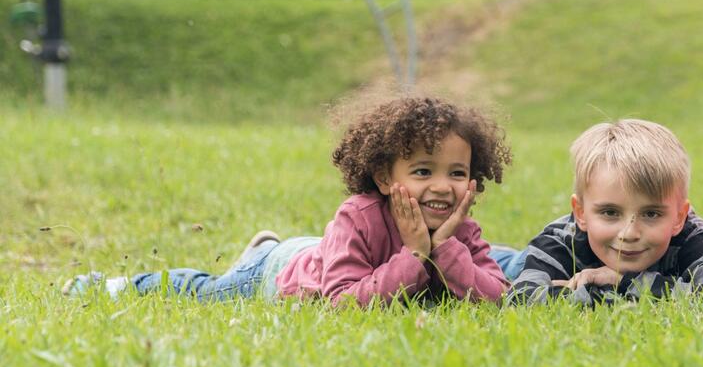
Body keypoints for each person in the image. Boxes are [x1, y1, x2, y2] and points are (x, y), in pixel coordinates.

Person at [65, 95, 512, 306]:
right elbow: (343, 306)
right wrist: (415, 253)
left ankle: (261, 248)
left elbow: (498, 299)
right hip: (280, 273)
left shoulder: (461, 230)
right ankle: (109, 286)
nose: (441, 187)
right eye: (421, 171)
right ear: (382, 175)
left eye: (457, 173)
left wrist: (448, 248)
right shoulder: (358, 217)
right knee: (209, 292)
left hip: (315, 252)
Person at [503, 119, 703, 305]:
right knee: (507, 266)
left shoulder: (690, 235)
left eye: (651, 214)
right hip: (517, 261)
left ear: (679, 217)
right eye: (610, 212)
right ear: (581, 213)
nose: (629, 233)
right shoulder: (561, 241)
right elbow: (521, 300)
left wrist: (622, 282)